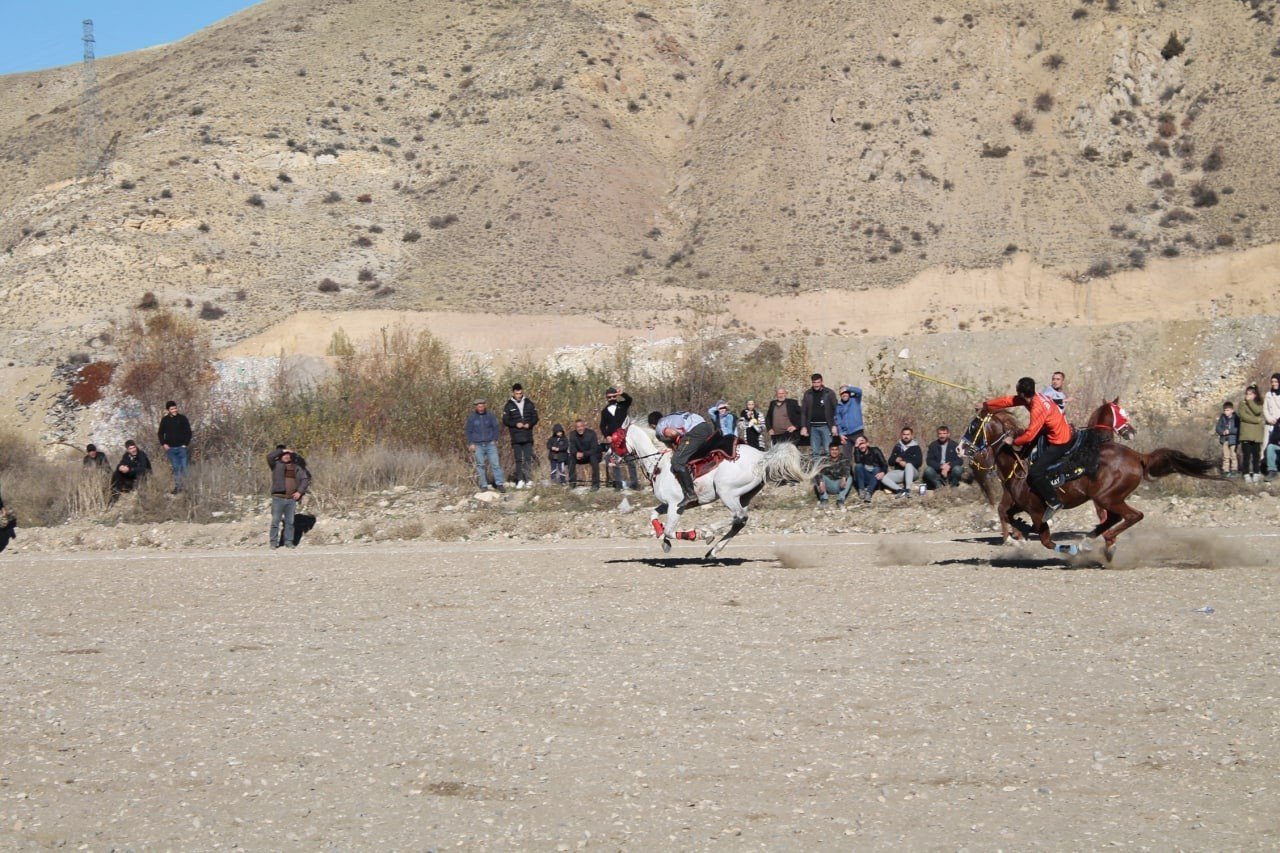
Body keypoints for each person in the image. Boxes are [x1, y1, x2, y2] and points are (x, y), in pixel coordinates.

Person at [982, 376, 1074, 521]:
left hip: (1060, 441)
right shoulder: (1034, 397)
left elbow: (1030, 435)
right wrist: (987, 404)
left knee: (1035, 472)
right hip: (1051, 431)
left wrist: (1013, 441)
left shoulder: (1037, 407)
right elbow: (1008, 401)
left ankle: (1054, 501)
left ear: (1023, 394)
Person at [654, 410, 713, 508]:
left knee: (677, 461)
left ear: (653, 425)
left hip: (695, 432)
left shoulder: (659, 426)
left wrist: (674, 439)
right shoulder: (671, 416)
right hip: (706, 426)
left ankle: (690, 494)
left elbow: (672, 433)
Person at [267, 446, 311, 549]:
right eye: (284, 455)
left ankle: (289, 542)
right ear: (280, 456)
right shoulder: (275, 465)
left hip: (291, 499)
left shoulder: (296, 467)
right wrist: (283, 450)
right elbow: (269, 456)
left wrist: (300, 492)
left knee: (290, 522)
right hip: (278, 498)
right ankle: (273, 542)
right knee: (275, 521)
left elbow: (305, 479)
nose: (286, 456)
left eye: (288, 455)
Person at [501, 383, 539, 489]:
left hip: (527, 435)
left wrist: (529, 424)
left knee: (528, 458)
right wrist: (515, 424)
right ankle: (520, 480)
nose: (519, 395)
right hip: (516, 437)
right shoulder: (508, 405)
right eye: (517, 393)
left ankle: (528, 480)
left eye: (520, 393)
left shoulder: (529, 403)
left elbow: (535, 417)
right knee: (518, 459)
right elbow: (505, 420)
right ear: (513, 393)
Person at [599, 386, 637, 490]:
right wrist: (607, 436)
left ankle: (634, 484)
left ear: (616, 396)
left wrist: (622, 393)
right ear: (606, 398)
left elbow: (630, 400)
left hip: (626, 437)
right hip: (614, 440)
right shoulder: (604, 411)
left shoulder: (623, 405)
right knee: (614, 462)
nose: (611, 399)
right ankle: (619, 485)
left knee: (630, 460)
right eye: (609, 397)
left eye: (613, 396)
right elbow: (602, 426)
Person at [464, 399, 505, 492]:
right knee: (480, 465)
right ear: (476, 407)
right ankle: (484, 485)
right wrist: (471, 443)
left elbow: (496, 428)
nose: (480, 408)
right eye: (478, 406)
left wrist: (495, 439)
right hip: (477, 445)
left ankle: (499, 484)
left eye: (482, 406)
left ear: (485, 406)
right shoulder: (472, 418)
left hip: (490, 444)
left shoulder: (490, 416)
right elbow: (468, 431)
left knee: (495, 464)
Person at [800, 373, 839, 460]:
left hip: (826, 426)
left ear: (822, 382)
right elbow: (803, 412)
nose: (816, 384)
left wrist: (834, 425)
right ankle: (817, 473)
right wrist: (803, 427)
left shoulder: (829, 393)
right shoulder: (808, 394)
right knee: (815, 453)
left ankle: (829, 472)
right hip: (813, 427)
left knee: (828, 451)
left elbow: (836, 410)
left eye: (818, 382)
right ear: (812, 383)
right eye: (814, 382)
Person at [158, 400, 193, 493]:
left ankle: (187, 488)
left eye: (175, 408)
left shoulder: (182, 418)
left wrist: (185, 444)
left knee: (184, 468)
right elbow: (160, 433)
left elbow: (188, 432)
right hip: (171, 449)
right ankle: (178, 488)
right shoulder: (165, 420)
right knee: (176, 468)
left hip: (182, 448)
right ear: (168, 410)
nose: (174, 410)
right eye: (172, 409)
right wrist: (164, 444)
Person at [882, 426, 923, 497]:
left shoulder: (916, 447)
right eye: (904, 434)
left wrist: (906, 463)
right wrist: (896, 460)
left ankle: (908, 489)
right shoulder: (897, 447)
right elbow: (890, 462)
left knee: (909, 465)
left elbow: (919, 462)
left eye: (908, 434)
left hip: (913, 472)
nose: (906, 436)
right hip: (900, 473)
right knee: (882, 477)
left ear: (911, 436)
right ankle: (899, 490)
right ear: (901, 435)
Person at [109, 440, 151, 504]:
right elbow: (121, 463)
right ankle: (114, 495)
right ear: (128, 450)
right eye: (130, 449)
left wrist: (130, 469)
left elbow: (143, 468)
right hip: (132, 476)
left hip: (144, 475)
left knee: (140, 473)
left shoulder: (141, 454)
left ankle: (142, 496)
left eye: (134, 447)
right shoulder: (126, 455)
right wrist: (120, 467)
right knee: (116, 473)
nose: (133, 450)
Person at [1238, 383, 1265, 483]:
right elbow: (1243, 416)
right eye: (1247, 393)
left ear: (1255, 394)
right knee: (1246, 455)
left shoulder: (1258, 403)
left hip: (1256, 434)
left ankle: (1256, 472)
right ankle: (1246, 473)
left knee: (1256, 455)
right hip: (1246, 434)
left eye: (1251, 393)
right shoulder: (1242, 403)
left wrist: (1250, 402)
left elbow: (1257, 411)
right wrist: (1257, 420)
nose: (1248, 395)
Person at [923, 425, 964, 489]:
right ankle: (939, 487)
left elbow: (959, 460)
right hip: (937, 472)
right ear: (937, 435)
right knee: (928, 471)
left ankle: (951, 487)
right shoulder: (933, 445)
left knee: (958, 469)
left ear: (948, 434)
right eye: (940, 434)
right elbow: (929, 461)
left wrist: (949, 466)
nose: (942, 436)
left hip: (951, 472)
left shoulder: (955, 445)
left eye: (944, 433)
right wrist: (941, 466)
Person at [815, 442, 853, 508]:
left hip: (840, 485)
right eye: (832, 449)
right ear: (829, 450)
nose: (834, 451)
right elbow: (818, 471)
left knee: (849, 478)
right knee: (817, 476)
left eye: (836, 449)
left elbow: (846, 469)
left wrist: (844, 478)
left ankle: (840, 500)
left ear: (839, 450)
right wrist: (821, 482)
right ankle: (824, 499)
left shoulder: (844, 459)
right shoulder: (824, 460)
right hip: (828, 485)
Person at [851, 434, 888, 502]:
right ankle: (861, 490)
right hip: (865, 478)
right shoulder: (859, 453)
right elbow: (858, 461)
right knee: (858, 466)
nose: (861, 446)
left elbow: (884, 464)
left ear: (867, 443)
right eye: (859, 444)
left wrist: (883, 472)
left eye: (863, 443)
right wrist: (856, 448)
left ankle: (869, 493)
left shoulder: (875, 450)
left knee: (877, 469)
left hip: (875, 477)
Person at [568, 419, 602, 490]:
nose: (580, 428)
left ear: (584, 426)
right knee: (571, 458)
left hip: (591, 454)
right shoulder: (572, 434)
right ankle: (572, 483)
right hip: (579, 457)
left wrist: (583, 454)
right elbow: (572, 447)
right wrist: (575, 453)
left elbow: (594, 449)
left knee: (593, 458)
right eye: (577, 427)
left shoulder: (591, 433)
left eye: (581, 426)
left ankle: (595, 484)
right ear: (575, 428)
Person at [835, 384, 865, 459]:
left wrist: (848, 388)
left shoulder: (855, 400)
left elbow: (859, 391)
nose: (844, 394)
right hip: (846, 435)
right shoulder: (838, 406)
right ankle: (848, 471)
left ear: (849, 393)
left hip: (857, 432)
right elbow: (838, 421)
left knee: (860, 454)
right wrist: (841, 434)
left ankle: (859, 470)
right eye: (842, 393)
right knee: (846, 458)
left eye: (846, 392)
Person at [1215, 401, 1239, 478]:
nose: (1226, 412)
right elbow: (1217, 428)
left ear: (1232, 410)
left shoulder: (1236, 418)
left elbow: (1238, 429)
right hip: (1225, 439)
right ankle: (1226, 470)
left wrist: (1230, 431)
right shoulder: (1222, 418)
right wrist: (1222, 432)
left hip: (1233, 439)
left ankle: (1234, 470)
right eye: (1225, 410)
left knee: (1233, 455)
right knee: (1226, 456)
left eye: (1228, 410)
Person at [1264, 373, 1280, 477]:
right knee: (1269, 446)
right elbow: (1265, 409)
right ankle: (1271, 468)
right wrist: (1269, 419)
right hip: (1271, 423)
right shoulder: (1268, 394)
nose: (1274, 384)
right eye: (1272, 382)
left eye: (1276, 381)